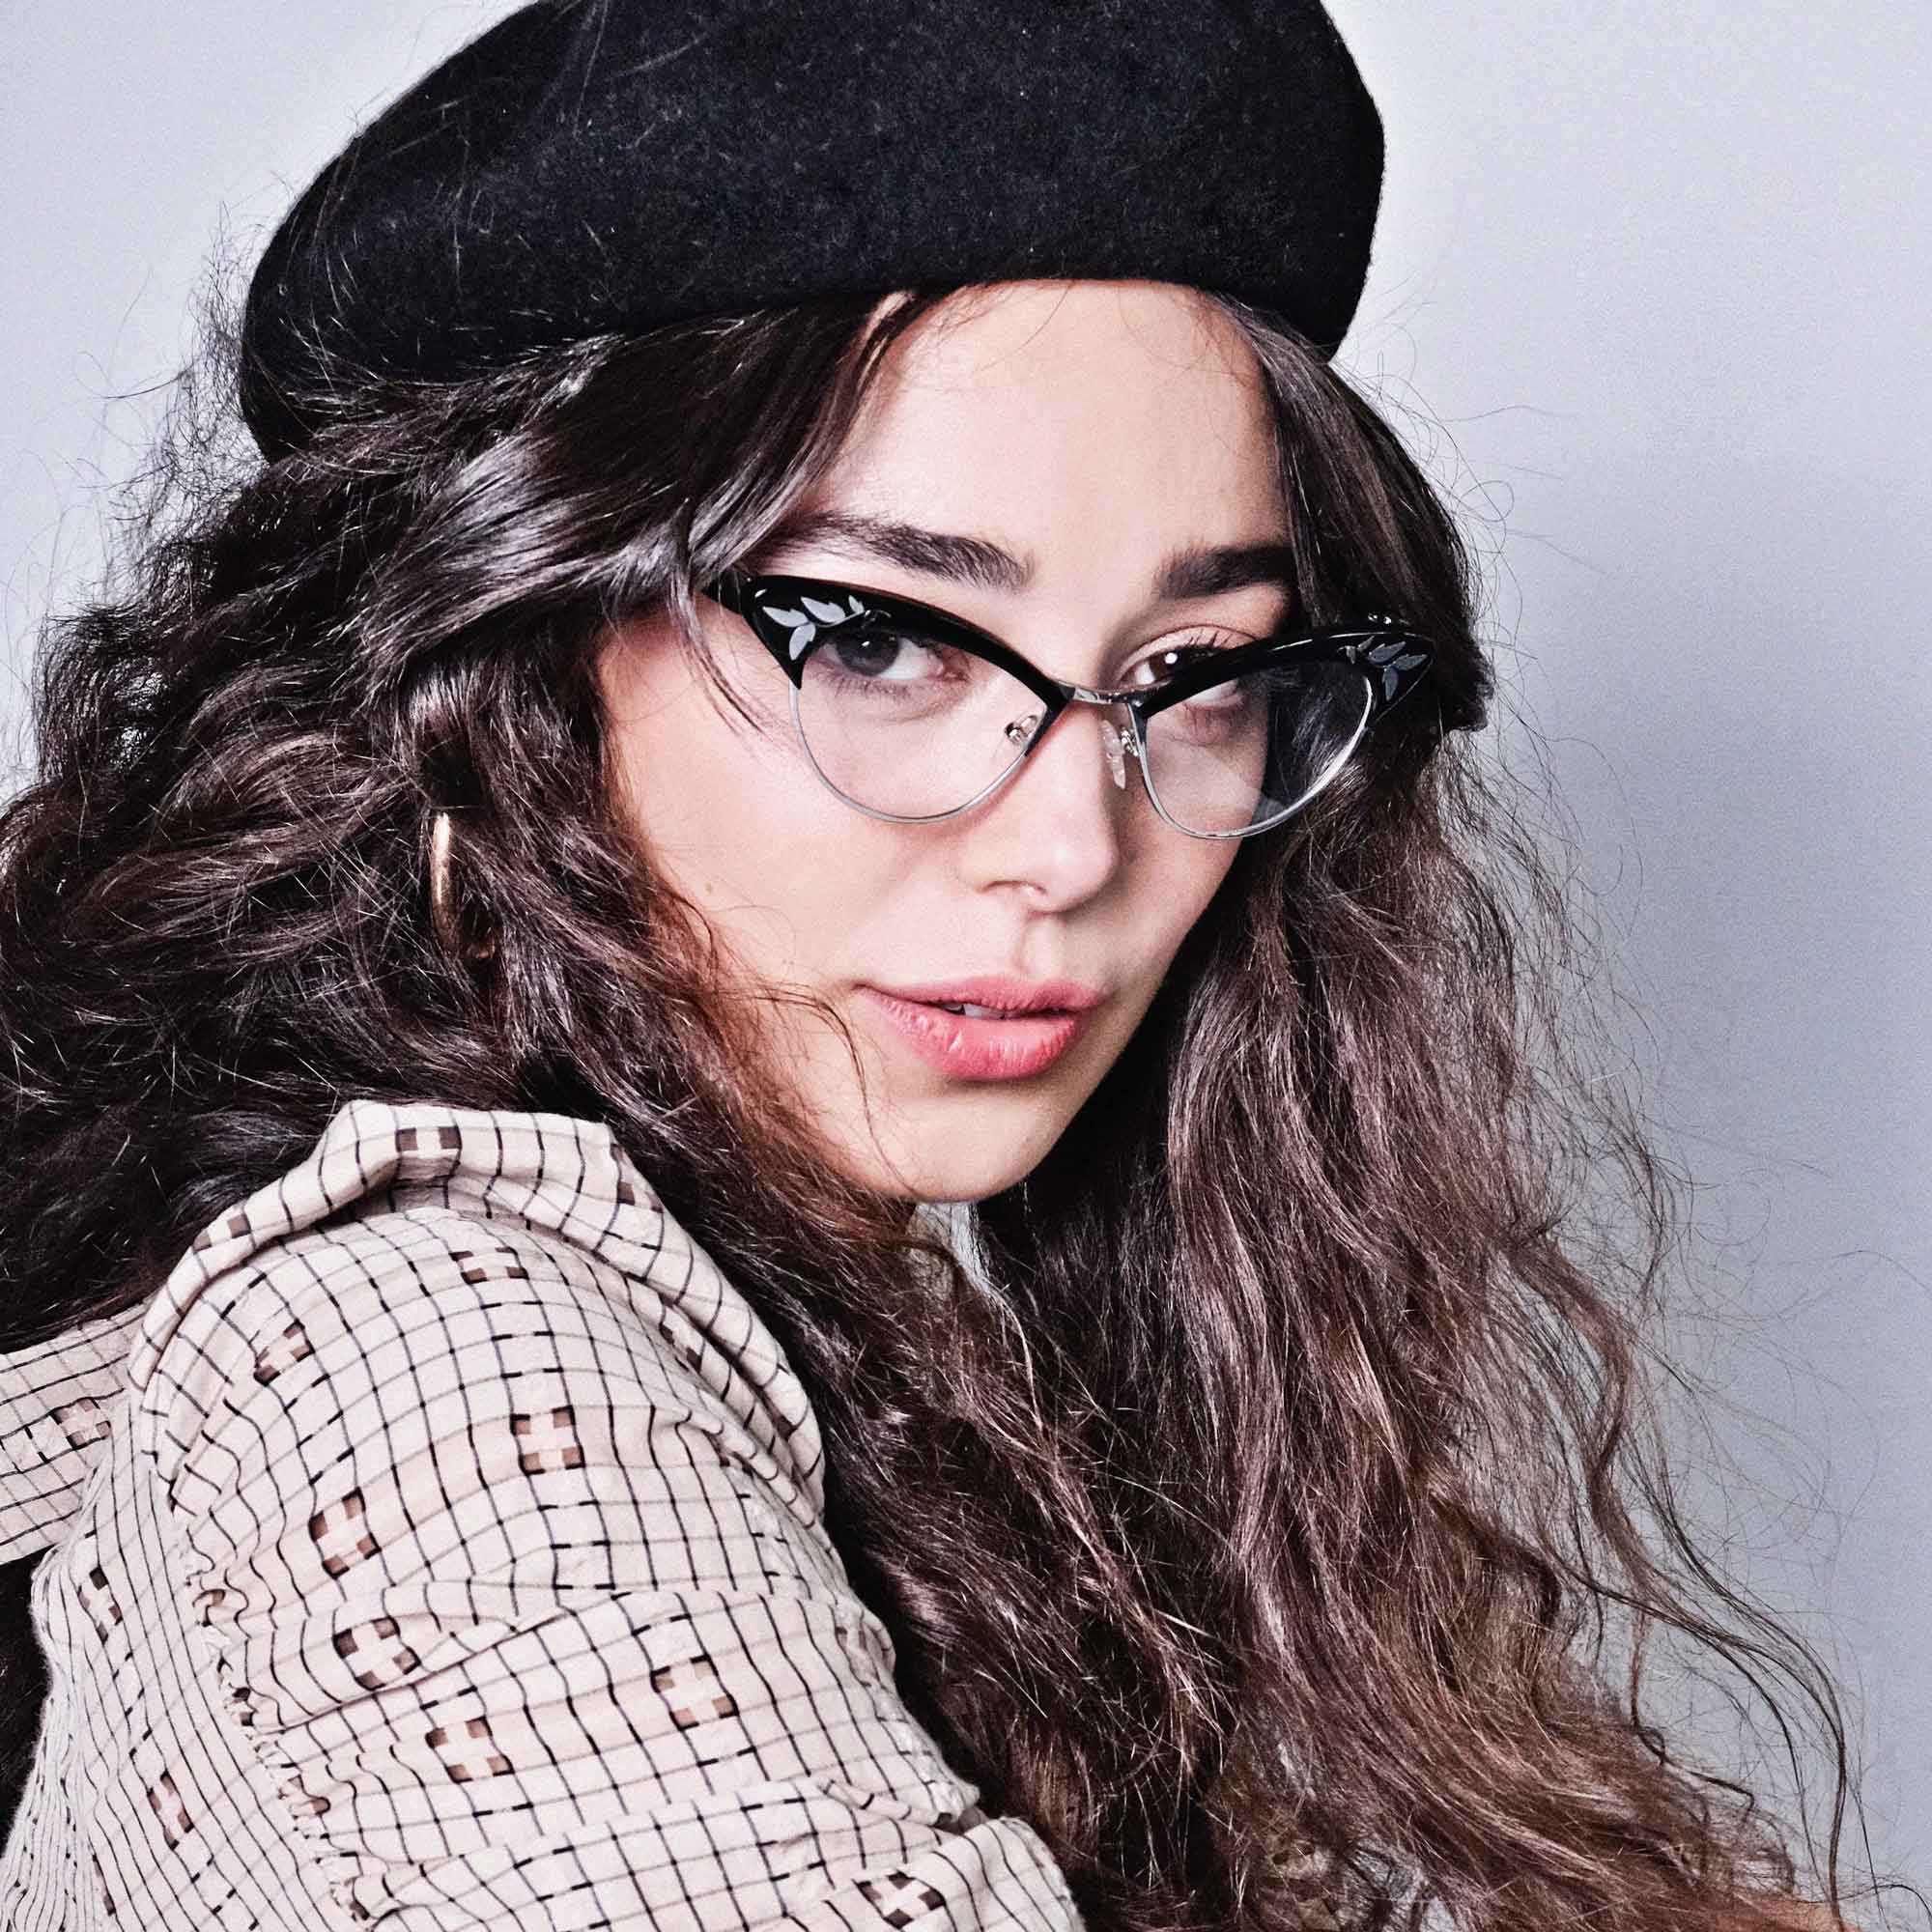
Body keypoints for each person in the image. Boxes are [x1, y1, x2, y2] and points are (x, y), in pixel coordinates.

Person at [0, 2, 1874, 1928]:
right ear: (501, 665)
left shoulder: (848, 1333)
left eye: (1199, 674)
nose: (1075, 846)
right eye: (884, 641)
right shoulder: (442, 1373)